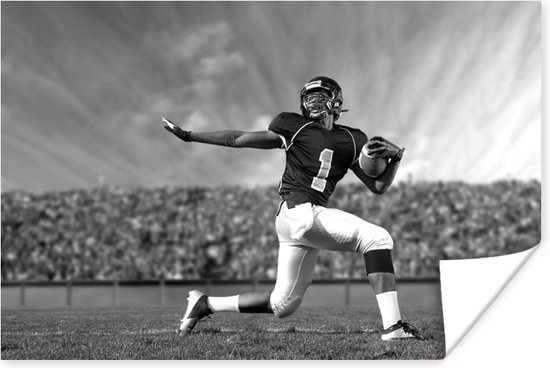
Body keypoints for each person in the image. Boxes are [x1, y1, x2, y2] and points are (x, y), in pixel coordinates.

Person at [163, 76, 423, 340]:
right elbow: (239, 137)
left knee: (283, 304)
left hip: (302, 220)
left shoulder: (352, 139)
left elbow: (378, 187)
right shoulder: (295, 127)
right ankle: (395, 327)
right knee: (377, 238)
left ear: (336, 101)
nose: (313, 102)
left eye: (320, 96)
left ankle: (204, 304)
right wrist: (190, 136)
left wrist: (395, 160)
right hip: (298, 211)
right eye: (309, 98)